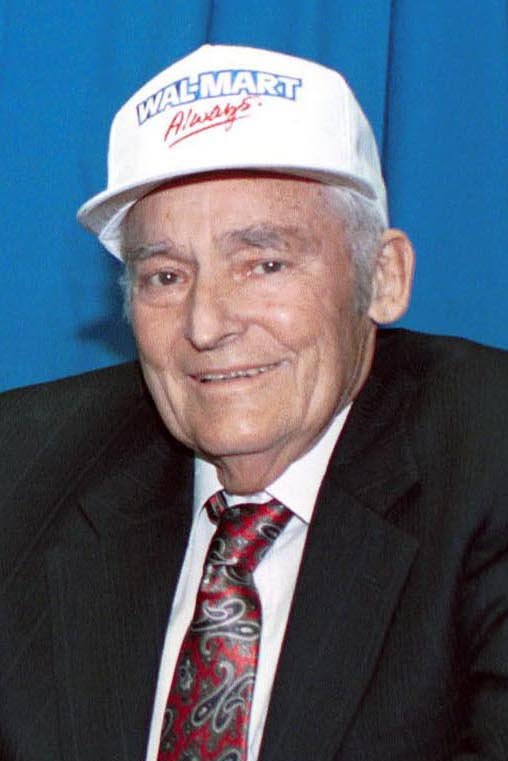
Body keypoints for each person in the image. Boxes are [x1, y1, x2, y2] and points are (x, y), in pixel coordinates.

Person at [1, 44, 507, 761]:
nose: (206, 325)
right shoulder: (22, 469)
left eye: (264, 264)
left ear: (383, 277)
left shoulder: (487, 456)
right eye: (165, 276)